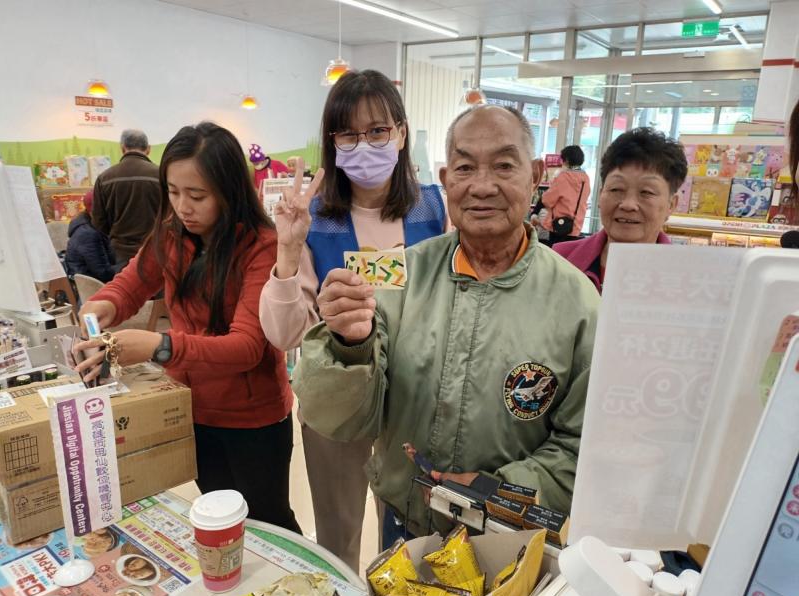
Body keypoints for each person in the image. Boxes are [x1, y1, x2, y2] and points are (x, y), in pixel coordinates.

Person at [292, 104, 599, 546]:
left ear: (534, 175)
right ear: (445, 177)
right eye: (465, 167)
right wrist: (348, 344)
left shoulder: (577, 300)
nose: (482, 185)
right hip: (403, 524)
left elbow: (582, 442)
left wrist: (501, 493)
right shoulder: (399, 273)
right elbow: (341, 418)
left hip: (510, 533)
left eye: (503, 165)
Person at [74, 122, 303, 533]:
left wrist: (158, 346)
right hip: (192, 409)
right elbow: (131, 283)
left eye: (197, 195)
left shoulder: (262, 244)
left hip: (253, 419)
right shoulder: (170, 236)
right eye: (174, 192)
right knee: (219, 515)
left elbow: (247, 347)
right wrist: (102, 303)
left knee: (270, 524)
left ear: (229, 190)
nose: (183, 207)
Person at [259, 69, 446, 569]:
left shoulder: (433, 207)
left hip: (412, 404)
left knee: (408, 535)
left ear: (402, 134)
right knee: (337, 534)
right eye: (348, 133)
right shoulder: (312, 216)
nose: (364, 145)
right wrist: (288, 249)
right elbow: (283, 334)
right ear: (332, 142)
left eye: (378, 131)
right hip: (337, 405)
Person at [554, 128, 687, 293]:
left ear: (671, 205)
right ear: (601, 193)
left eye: (646, 192)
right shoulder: (559, 261)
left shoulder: (689, 278)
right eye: (616, 189)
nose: (628, 205)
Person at [92, 129, 160, 267]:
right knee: (156, 288)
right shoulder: (161, 175)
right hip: (156, 249)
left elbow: (98, 221)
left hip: (121, 252)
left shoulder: (104, 178)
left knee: (125, 288)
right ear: (148, 149)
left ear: (122, 148)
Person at [539, 145, 591, 246]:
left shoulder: (564, 177)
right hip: (576, 227)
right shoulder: (586, 178)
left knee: (554, 257)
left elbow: (547, 200)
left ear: (566, 160)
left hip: (558, 226)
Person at [65, 190, 118, 283]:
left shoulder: (95, 226)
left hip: (96, 280)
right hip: (92, 287)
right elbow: (103, 272)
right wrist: (127, 267)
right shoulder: (88, 234)